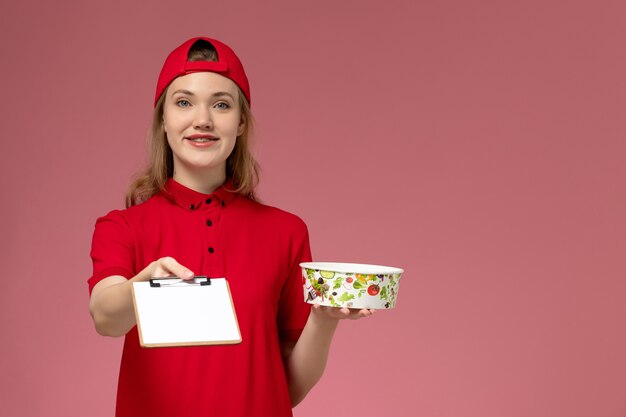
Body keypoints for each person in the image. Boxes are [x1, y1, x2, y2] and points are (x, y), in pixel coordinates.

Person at [88, 36, 375, 417]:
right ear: (163, 120)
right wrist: (146, 284)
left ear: (240, 122)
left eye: (221, 104)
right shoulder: (122, 227)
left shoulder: (286, 233)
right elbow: (106, 317)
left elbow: (286, 388)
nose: (202, 119)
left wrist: (323, 320)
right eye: (184, 102)